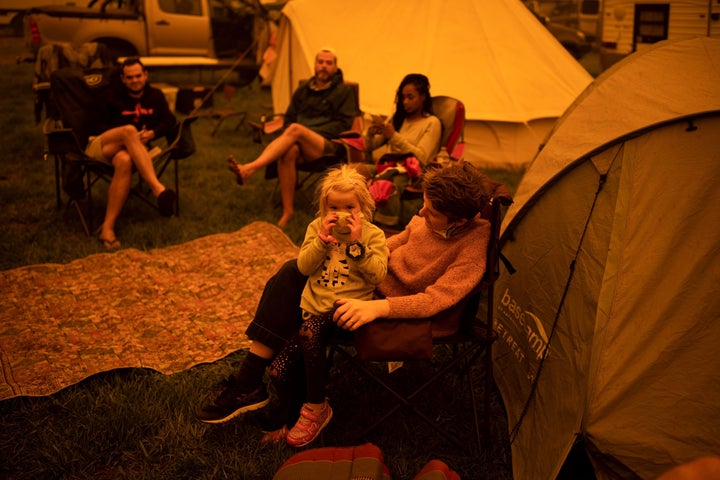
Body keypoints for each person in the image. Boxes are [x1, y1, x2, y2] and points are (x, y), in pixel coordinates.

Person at [197, 163, 495, 432]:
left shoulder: (470, 252)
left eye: (430, 211)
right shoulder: (425, 221)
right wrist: (353, 248)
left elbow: (434, 300)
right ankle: (248, 383)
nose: (419, 214)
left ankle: (281, 396)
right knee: (291, 272)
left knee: (305, 312)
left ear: (459, 221)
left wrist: (379, 307)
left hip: (392, 309)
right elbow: (393, 244)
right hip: (369, 283)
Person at [266, 165, 388, 447]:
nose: (341, 213)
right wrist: (321, 242)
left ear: (363, 208)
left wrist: (357, 245)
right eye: (334, 207)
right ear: (323, 208)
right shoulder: (316, 229)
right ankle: (297, 412)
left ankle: (317, 408)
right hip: (314, 313)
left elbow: (378, 275)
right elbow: (304, 267)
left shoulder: (372, 236)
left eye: (350, 207)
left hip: (348, 315)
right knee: (278, 371)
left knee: (308, 332)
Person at [227, 48, 358, 228]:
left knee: (296, 129)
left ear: (335, 68)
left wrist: (307, 131)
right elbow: (289, 118)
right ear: (315, 65)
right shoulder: (303, 90)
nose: (324, 66)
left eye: (329, 63)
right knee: (289, 151)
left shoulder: (343, 92)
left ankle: (249, 169)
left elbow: (343, 124)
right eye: (320, 62)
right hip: (299, 141)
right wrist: (299, 135)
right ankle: (288, 210)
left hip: (327, 144)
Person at [88, 57, 178, 249]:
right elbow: (95, 125)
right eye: (130, 78)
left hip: (130, 151)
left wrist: (152, 133)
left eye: (138, 76)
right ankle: (158, 189)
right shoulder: (109, 95)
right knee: (128, 130)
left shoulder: (155, 95)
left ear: (145, 75)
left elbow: (170, 121)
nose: (135, 80)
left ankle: (107, 228)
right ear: (123, 79)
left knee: (124, 160)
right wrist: (128, 136)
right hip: (101, 147)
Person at [364, 73, 442, 226]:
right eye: (402, 97)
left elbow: (422, 157)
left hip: (413, 172)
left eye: (410, 97)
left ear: (423, 96)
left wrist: (393, 135)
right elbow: (370, 147)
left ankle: (385, 225)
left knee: (386, 182)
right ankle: (355, 216)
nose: (405, 102)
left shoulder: (432, 123)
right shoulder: (399, 118)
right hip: (389, 166)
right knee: (357, 171)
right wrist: (371, 134)